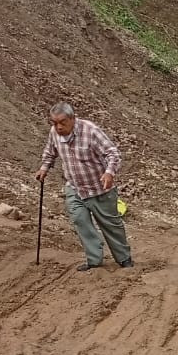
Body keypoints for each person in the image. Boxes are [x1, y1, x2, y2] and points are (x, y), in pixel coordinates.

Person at [35, 102, 133, 272]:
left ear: (73, 118)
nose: (58, 127)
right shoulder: (54, 133)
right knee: (80, 221)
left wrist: (109, 173)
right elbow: (50, 152)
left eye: (62, 122)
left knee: (110, 224)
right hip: (75, 188)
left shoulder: (90, 131)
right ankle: (94, 260)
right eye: (54, 123)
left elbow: (113, 153)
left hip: (99, 188)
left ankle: (124, 258)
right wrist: (44, 168)